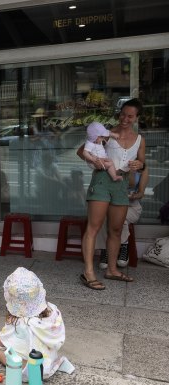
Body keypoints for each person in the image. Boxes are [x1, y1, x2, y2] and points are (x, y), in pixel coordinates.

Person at [76, 98, 146, 289]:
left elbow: (142, 164)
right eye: (123, 114)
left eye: (130, 116)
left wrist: (139, 165)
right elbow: (81, 151)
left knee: (115, 229)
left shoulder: (139, 139)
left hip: (121, 183)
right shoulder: (104, 133)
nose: (125, 118)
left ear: (136, 118)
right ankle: (88, 272)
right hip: (101, 180)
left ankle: (112, 269)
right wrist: (95, 160)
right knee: (94, 227)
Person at [0, 267, 74, 381]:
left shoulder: (17, 321)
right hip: (46, 364)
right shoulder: (53, 312)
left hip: (26, 367)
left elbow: (2, 341)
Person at [98, 166, 149, 269]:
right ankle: (105, 250)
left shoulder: (142, 167)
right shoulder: (112, 164)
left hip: (132, 206)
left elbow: (139, 192)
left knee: (121, 218)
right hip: (112, 203)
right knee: (103, 218)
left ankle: (123, 246)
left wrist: (133, 195)